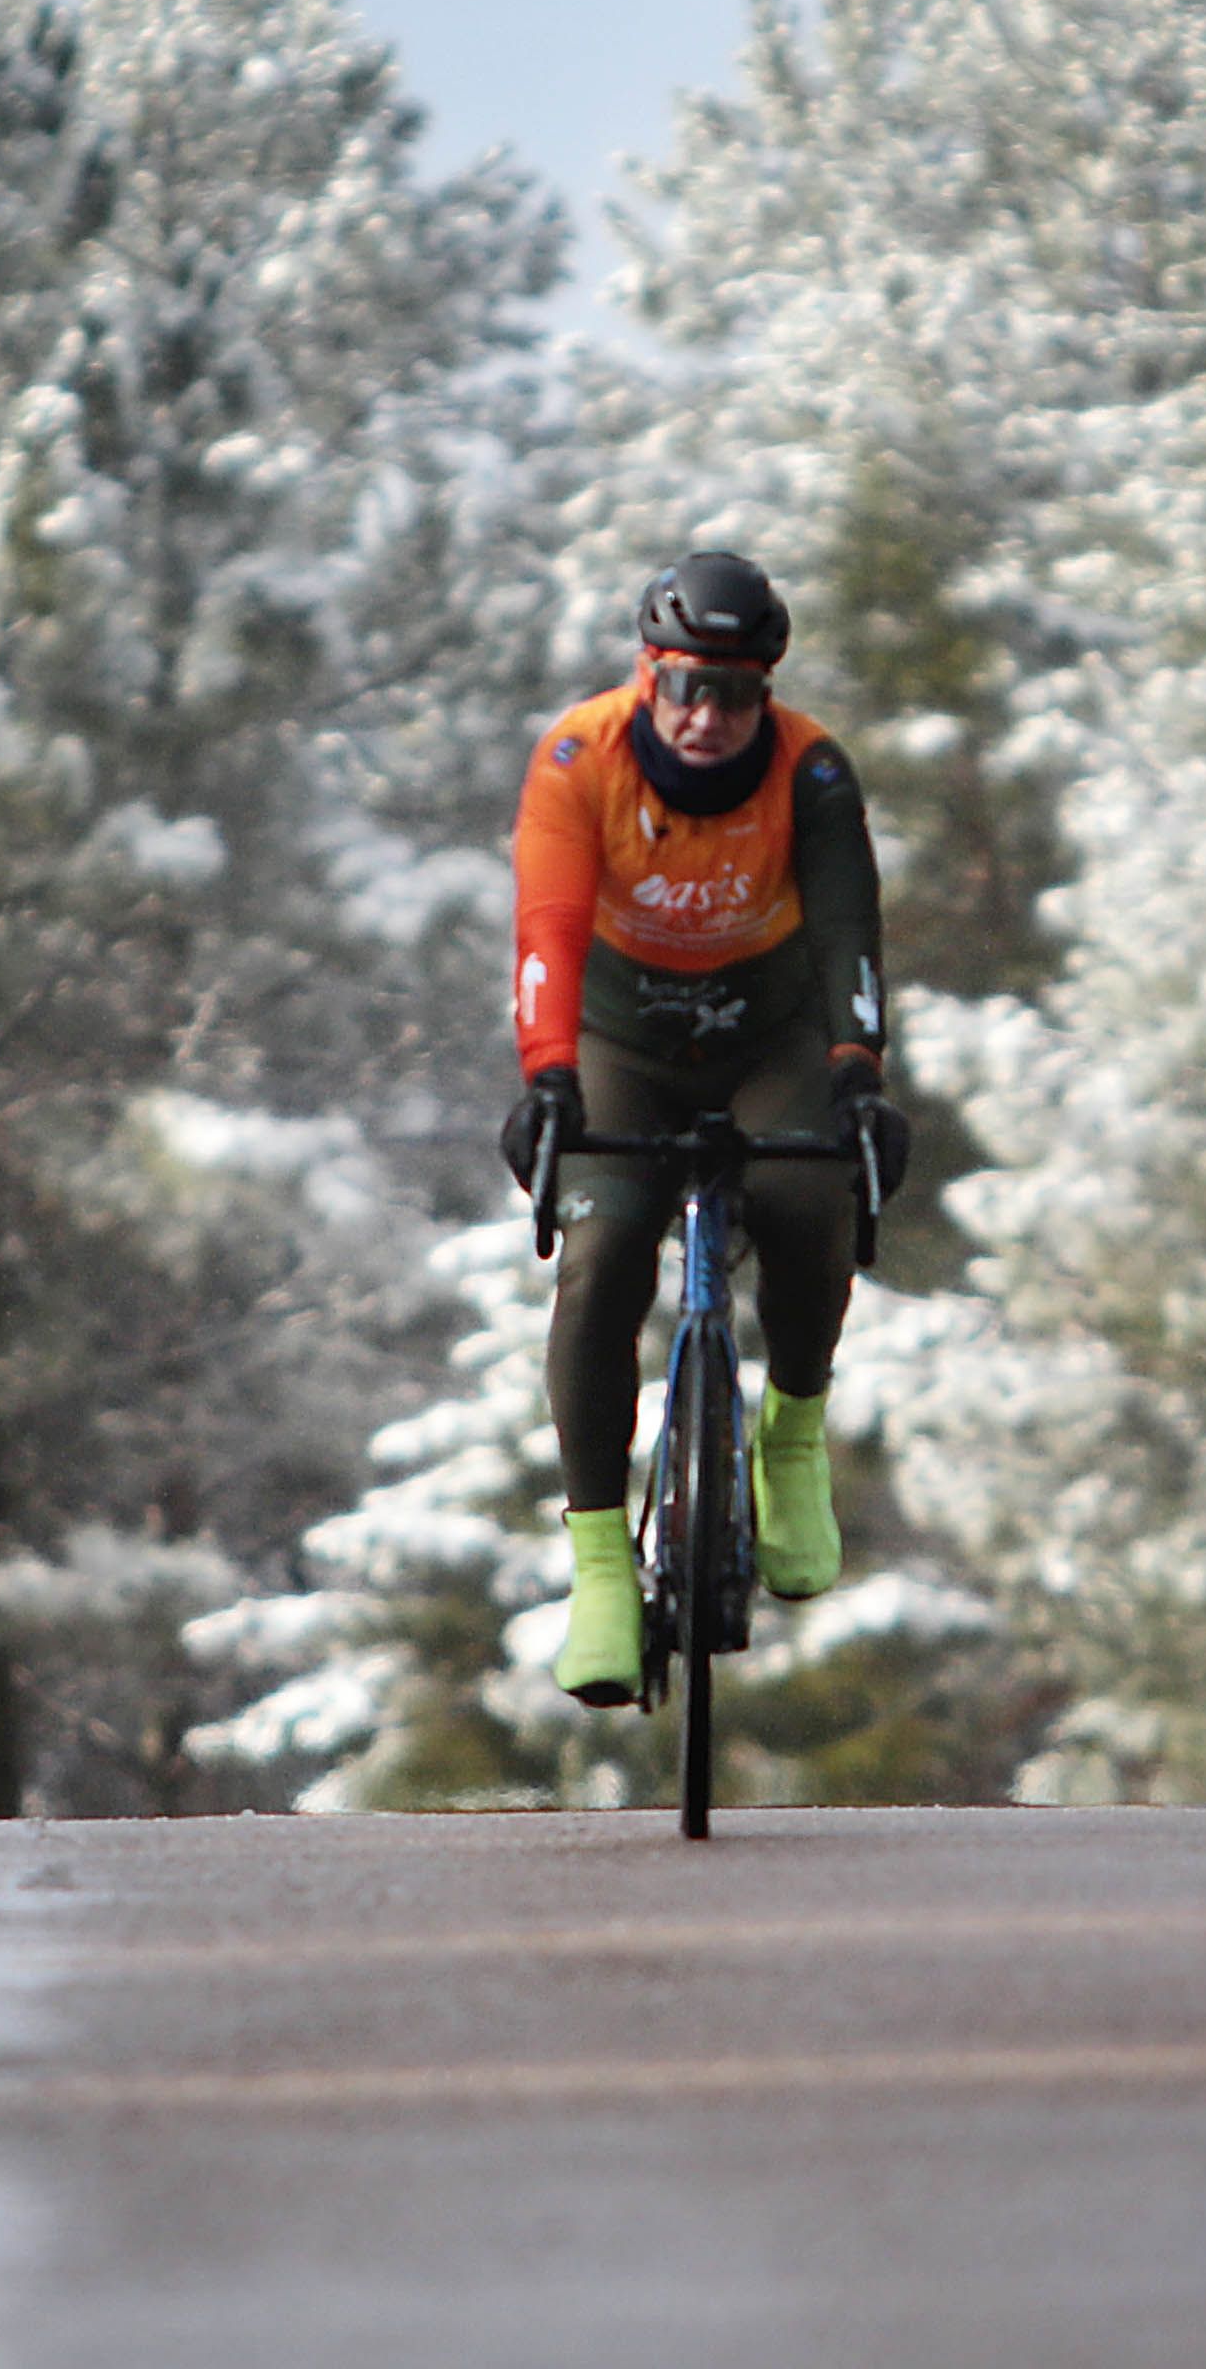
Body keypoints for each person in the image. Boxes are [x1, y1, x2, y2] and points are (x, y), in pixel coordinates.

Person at [501, 548, 911, 1701]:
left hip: (766, 1039)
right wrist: (546, 1079)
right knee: (602, 1258)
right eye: (685, 685)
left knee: (804, 1195)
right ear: (647, 676)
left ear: (765, 695)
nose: (706, 716)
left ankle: (790, 1432)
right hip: (621, 1044)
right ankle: (596, 1576)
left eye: (735, 693)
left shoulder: (811, 773)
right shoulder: (580, 759)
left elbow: (849, 934)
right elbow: (548, 925)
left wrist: (857, 1074)